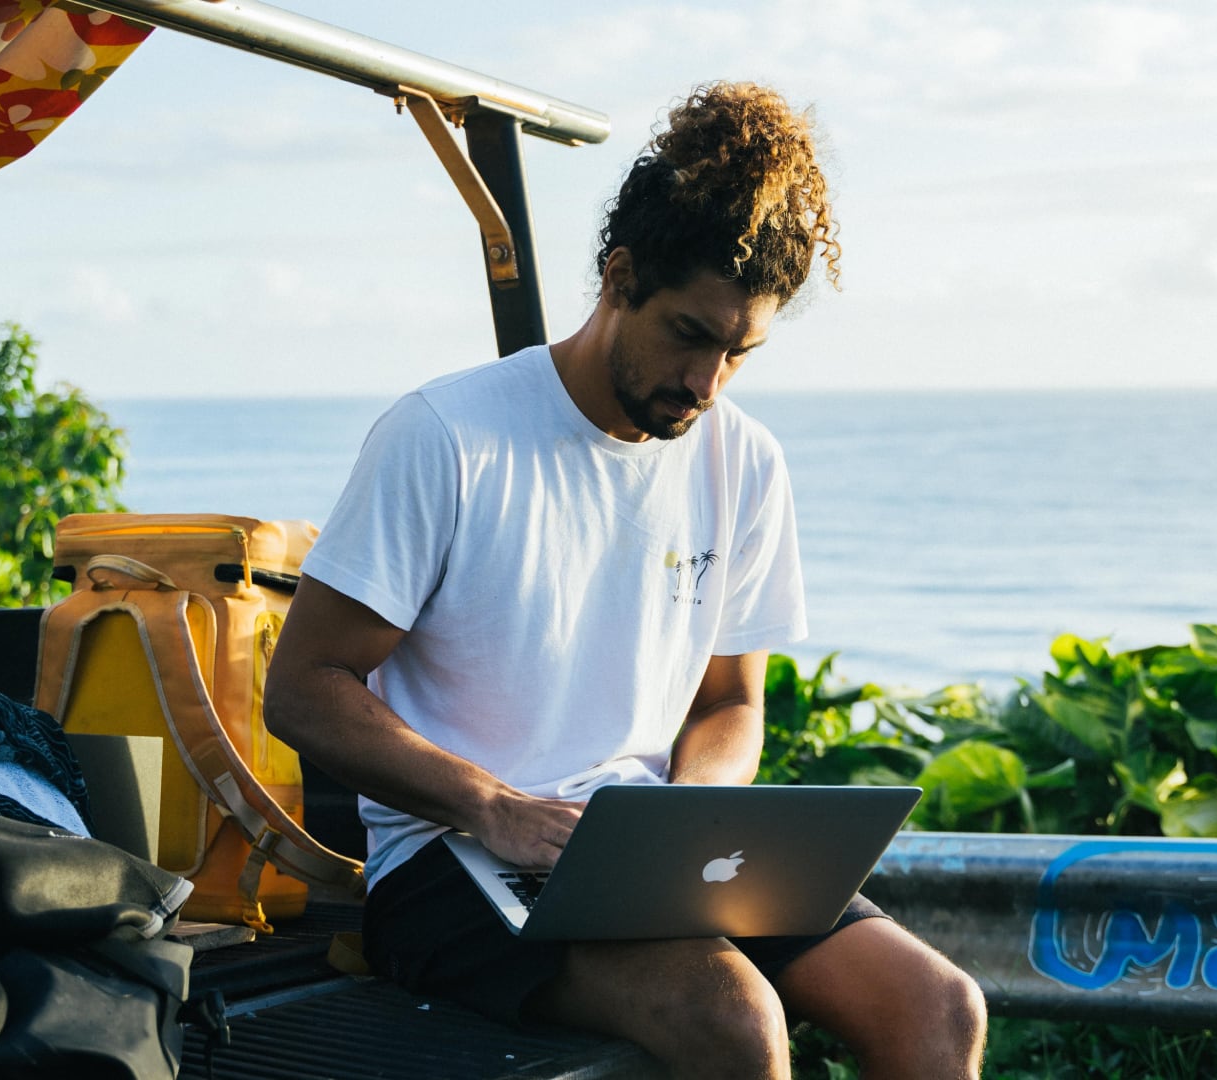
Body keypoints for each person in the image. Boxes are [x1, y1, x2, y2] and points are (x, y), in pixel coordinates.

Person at [266, 82, 987, 1080]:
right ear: (619, 276)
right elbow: (303, 691)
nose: (707, 384)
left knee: (939, 1008)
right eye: (691, 335)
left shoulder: (747, 462)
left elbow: (732, 701)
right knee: (732, 1019)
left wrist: (684, 824)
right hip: (451, 864)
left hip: (649, 858)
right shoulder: (447, 435)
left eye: (740, 353)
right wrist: (490, 805)